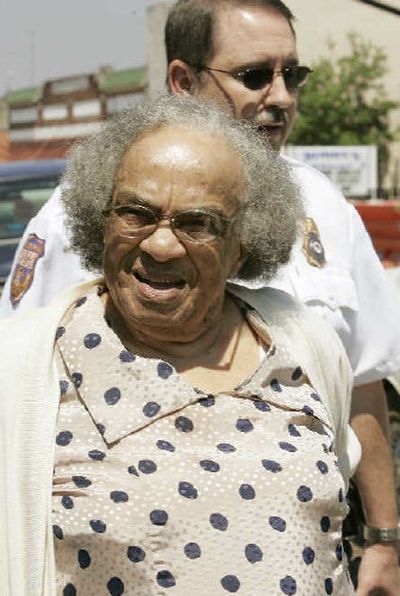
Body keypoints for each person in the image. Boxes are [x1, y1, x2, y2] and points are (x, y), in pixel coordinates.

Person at [0, 0, 399, 592]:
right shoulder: (83, 209)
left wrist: (385, 539)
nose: (282, 96)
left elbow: (361, 372)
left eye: (293, 74)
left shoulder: (326, 210)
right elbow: (22, 388)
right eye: (255, 75)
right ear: (184, 81)